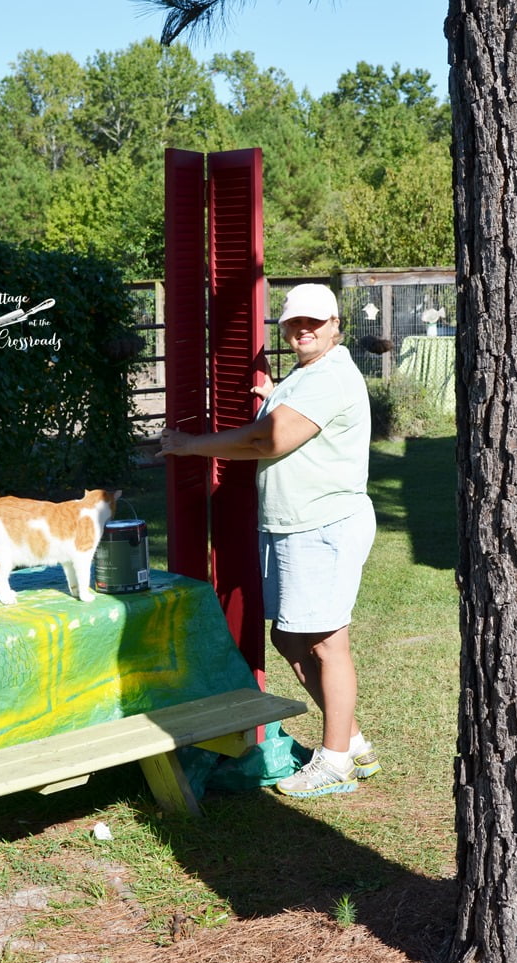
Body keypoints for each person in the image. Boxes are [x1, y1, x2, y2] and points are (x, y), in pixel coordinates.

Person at [159, 283, 379, 798]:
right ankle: (349, 741)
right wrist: (274, 396)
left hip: (322, 526)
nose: (303, 329)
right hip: (293, 525)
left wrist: (192, 446)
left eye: (315, 322)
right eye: (293, 323)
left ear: (335, 324)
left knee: (327, 642)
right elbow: (282, 419)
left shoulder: (331, 376)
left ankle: (337, 761)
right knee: (288, 636)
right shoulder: (307, 376)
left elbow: (271, 439)